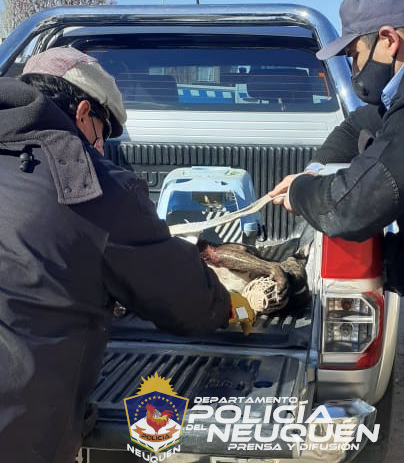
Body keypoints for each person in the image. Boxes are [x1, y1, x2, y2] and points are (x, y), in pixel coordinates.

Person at [0, 47, 254, 463]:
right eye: (104, 132)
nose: (101, 147)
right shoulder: (93, 187)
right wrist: (226, 304)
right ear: (84, 113)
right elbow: (183, 300)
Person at [270, 0, 404, 461]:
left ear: (388, 41)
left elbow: (350, 208)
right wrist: (316, 168)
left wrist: (303, 192)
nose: (354, 69)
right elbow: (360, 123)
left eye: (354, 55)